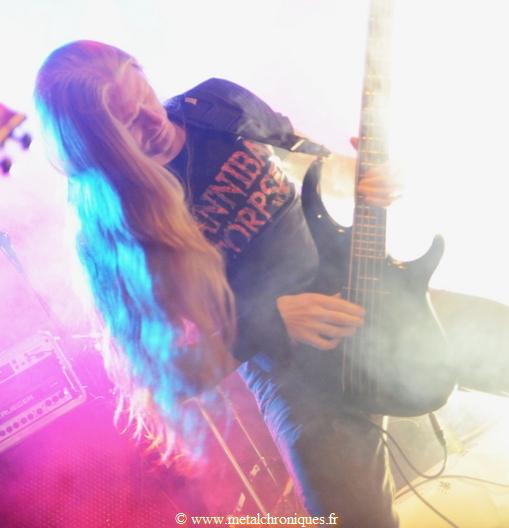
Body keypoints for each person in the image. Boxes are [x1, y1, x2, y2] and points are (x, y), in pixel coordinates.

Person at [34, 39, 401, 527]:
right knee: (357, 518)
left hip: (364, 291)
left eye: (145, 95)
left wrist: (359, 178)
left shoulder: (216, 104)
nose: (155, 120)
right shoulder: (113, 226)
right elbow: (167, 374)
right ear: (99, 149)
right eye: (129, 124)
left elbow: (311, 164)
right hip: (291, 373)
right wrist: (268, 323)